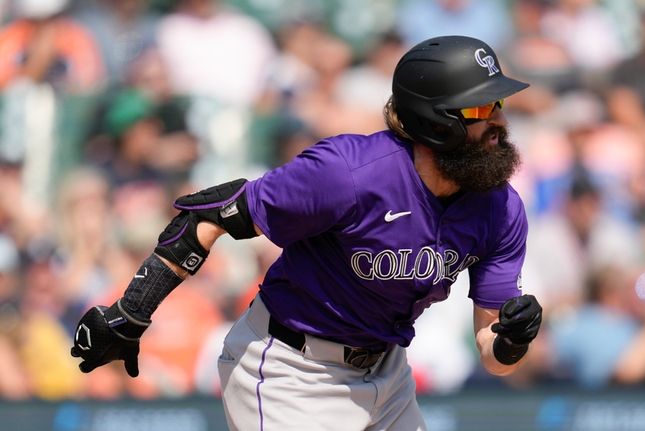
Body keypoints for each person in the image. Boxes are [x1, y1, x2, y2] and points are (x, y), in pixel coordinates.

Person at [70, 35, 543, 430]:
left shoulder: (499, 209)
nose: (500, 120)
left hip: (389, 373)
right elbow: (208, 216)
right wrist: (131, 312)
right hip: (289, 370)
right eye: (483, 109)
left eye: (498, 104)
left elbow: (494, 354)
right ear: (437, 122)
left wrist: (511, 341)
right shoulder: (348, 174)